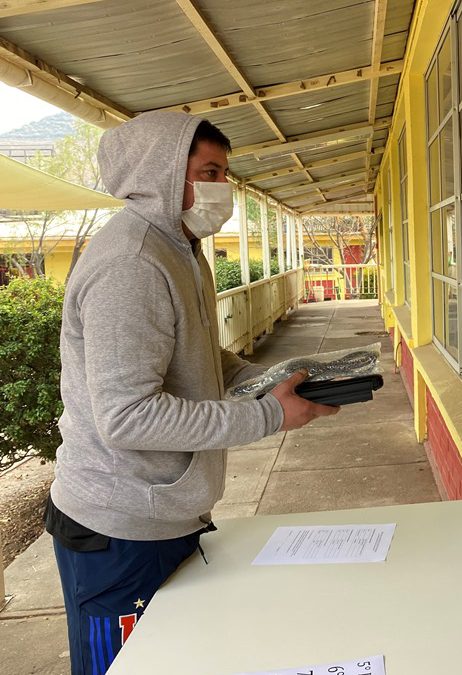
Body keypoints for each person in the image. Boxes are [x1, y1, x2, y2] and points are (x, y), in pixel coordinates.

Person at [46, 111, 338, 674]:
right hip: (118, 528)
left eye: (225, 173)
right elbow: (127, 417)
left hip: (167, 511)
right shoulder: (131, 265)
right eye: (210, 172)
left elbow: (201, 359)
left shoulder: (180, 250)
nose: (222, 190)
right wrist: (267, 418)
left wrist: (264, 381)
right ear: (161, 173)